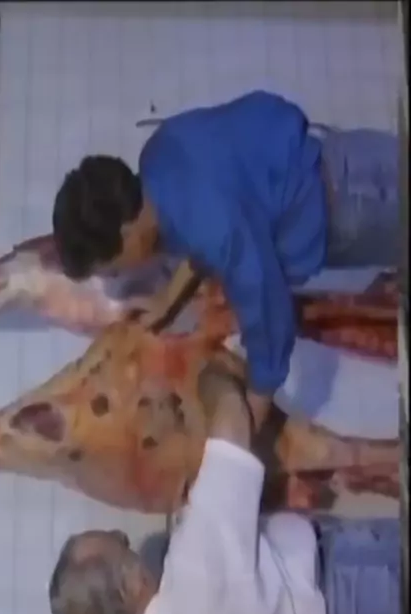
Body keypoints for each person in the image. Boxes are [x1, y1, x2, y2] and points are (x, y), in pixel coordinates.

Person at [48, 368, 400, 614]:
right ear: (131, 586)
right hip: (351, 594)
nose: (128, 541)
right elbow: (233, 419)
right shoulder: (194, 572)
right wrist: (209, 378)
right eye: (122, 544)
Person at [52, 91, 399, 426]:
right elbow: (210, 218)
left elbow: (267, 308)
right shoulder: (160, 152)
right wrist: (168, 302)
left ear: (128, 233)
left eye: (114, 269)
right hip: (351, 154)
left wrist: (256, 402)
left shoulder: (210, 226)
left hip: (360, 207)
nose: (124, 272)